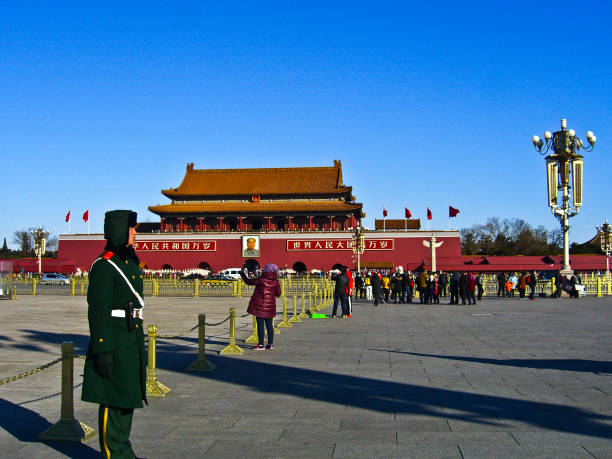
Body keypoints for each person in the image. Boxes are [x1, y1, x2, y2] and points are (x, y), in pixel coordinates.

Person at [82, 210, 146, 459]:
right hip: (115, 341)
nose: (135, 233)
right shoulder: (105, 266)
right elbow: (98, 311)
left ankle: (123, 450)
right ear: (121, 230)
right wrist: (102, 349)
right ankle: (114, 452)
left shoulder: (128, 262)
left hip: (130, 339)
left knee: (127, 398)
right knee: (113, 398)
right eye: (132, 228)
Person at [240, 262, 281, 349]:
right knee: (269, 325)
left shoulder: (261, 280)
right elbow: (278, 294)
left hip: (260, 307)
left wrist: (243, 274)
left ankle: (261, 344)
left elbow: (248, 281)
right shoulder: (276, 281)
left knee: (260, 325)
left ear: (266, 270)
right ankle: (270, 344)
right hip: (270, 307)